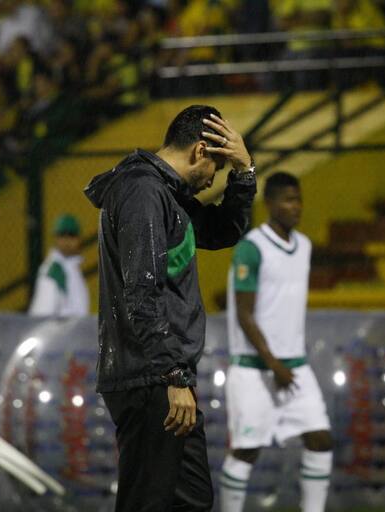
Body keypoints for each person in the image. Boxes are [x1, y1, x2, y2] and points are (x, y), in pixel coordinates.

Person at [83, 105, 256, 511]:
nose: (213, 178)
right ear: (200, 151)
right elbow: (142, 294)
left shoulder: (165, 193)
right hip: (151, 376)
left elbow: (223, 230)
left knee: (190, 499)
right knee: (150, 502)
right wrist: (172, 375)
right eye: (217, 166)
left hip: (159, 372)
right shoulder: (143, 192)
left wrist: (244, 172)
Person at [220, 172, 333, 512]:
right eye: (288, 200)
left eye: (298, 200)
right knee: (246, 450)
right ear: (269, 203)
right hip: (254, 369)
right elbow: (244, 314)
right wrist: (273, 363)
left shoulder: (304, 246)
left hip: (294, 366)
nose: (296, 207)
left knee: (320, 439)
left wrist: (283, 364)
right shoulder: (251, 248)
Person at [28, 213, 89, 317]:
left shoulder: (71, 267)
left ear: (79, 238)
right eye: (62, 235)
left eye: (71, 235)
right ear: (56, 238)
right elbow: (42, 314)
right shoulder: (53, 271)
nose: (67, 240)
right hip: (60, 327)